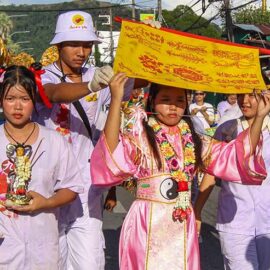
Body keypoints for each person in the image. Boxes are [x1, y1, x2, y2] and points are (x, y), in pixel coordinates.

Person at [90, 73, 270, 270]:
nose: (173, 106)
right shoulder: (140, 136)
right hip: (147, 220)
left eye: (180, 100)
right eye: (165, 100)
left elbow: (236, 155)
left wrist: (260, 117)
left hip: (182, 220)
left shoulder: (195, 140)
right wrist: (116, 100)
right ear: (151, 102)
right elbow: (111, 151)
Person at [32, 10, 141, 270]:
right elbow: (54, 93)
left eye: (87, 45)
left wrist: (149, 51)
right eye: (74, 44)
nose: (82, 51)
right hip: (48, 186)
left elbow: (142, 79)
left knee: (90, 262)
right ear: (58, 45)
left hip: (86, 186)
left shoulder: (101, 73)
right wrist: (91, 86)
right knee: (50, 261)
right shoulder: (41, 76)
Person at [0, 65, 83, 269]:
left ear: (34, 100)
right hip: (5, 248)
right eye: (10, 98)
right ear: (1, 100)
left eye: (25, 99)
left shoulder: (54, 141)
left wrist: (45, 203)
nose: (17, 107)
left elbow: (71, 187)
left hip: (43, 247)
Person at [194, 91, 270, 270]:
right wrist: (197, 212)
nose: (245, 100)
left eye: (252, 95)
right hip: (234, 221)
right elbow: (211, 173)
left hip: (267, 221)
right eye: (241, 95)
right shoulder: (227, 129)